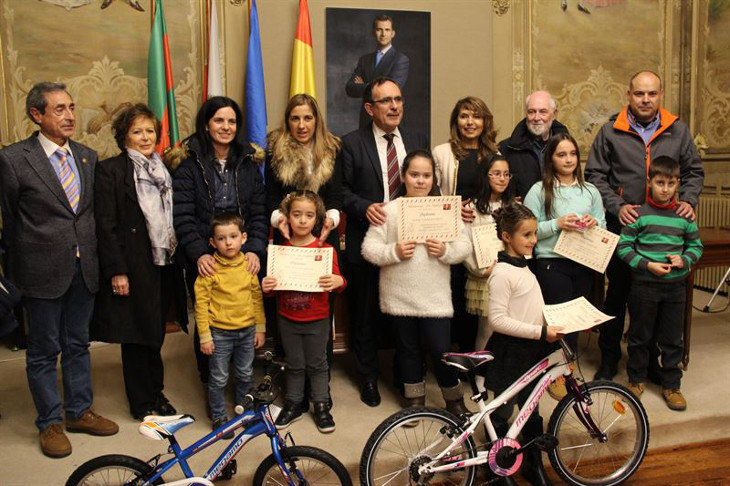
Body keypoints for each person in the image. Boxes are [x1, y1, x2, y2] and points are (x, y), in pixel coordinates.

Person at [0, 82, 118, 458]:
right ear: (37, 115)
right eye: (59, 109)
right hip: (39, 271)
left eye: (71, 107)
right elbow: (10, 218)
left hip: (84, 268)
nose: (69, 116)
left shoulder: (87, 155)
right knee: (42, 350)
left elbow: (88, 213)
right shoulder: (15, 158)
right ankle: (49, 422)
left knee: (78, 344)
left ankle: (79, 411)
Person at [585, 70, 704, 381]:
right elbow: (595, 175)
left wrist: (688, 200)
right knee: (618, 294)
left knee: (655, 300)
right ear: (629, 95)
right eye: (639, 94)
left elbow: (694, 171)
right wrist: (618, 206)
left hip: (664, 230)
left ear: (660, 95)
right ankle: (609, 357)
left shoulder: (678, 130)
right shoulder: (611, 130)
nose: (645, 99)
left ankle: (649, 362)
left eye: (652, 94)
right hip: (623, 225)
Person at [92, 103, 188, 420]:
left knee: (156, 331)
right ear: (124, 137)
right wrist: (117, 271)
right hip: (133, 264)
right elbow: (105, 226)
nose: (145, 137)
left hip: (164, 262)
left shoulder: (164, 170)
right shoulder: (111, 171)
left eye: (149, 131)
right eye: (137, 131)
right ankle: (142, 402)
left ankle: (155, 392)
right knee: (136, 335)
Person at [340, 76, 429, 407]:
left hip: (410, 245)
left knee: (406, 314)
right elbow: (342, 193)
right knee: (365, 314)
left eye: (398, 99)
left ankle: (405, 373)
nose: (394, 106)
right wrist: (366, 208)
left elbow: (427, 184)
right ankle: (368, 378)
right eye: (385, 101)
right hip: (369, 240)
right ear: (369, 108)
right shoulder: (351, 143)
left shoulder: (417, 138)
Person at [362, 150, 471, 415]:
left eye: (426, 175)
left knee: (441, 349)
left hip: (434, 297)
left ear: (434, 178)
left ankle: (454, 399)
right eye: (414, 175)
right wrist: (393, 252)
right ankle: (414, 400)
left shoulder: (445, 208)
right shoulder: (389, 211)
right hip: (400, 295)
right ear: (404, 177)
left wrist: (445, 251)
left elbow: (465, 246)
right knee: (407, 349)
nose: (420, 181)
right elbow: (368, 248)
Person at [172, 96, 267, 386]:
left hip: (242, 256)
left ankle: (240, 380)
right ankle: (210, 381)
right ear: (206, 123)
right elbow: (183, 215)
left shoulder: (248, 161)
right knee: (209, 321)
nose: (226, 127)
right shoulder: (189, 163)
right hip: (207, 258)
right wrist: (200, 253)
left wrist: (253, 249)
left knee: (242, 316)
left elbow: (260, 212)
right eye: (219, 120)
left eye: (232, 121)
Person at [484, 202, 563, 486]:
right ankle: (498, 469)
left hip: (532, 350)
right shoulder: (503, 273)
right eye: (527, 235)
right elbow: (498, 320)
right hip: (510, 352)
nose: (533, 240)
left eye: (533, 234)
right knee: (503, 411)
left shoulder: (523, 266)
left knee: (531, 410)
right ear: (507, 236)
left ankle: (533, 466)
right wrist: (540, 332)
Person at [616, 156, 702, 411]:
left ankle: (671, 385)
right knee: (640, 336)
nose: (665, 188)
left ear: (678, 184)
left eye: (671, 183)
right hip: (644, 286)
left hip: (676, 288)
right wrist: (646, 264)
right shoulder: (638, 214)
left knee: (673, 339)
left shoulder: (685, 216)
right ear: (649, 182)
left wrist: (684, 259)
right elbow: (623, 248)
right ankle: (636, 380)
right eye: (660, 182)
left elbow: (696, 247)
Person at [261, 191, 346, 433]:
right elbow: (272, 291)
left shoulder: (325, 249)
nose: (302, 220)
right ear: (287, 218)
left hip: (317, 319)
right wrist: (266, 286)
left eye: (308, 215)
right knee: (294, 364)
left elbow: (341, 281)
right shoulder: (280, 250)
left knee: (318, 364)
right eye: (296, 215)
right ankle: (294, 403)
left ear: (317, 219)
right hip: (287, 318)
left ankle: (320, 405)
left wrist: (337, 281)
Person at [523, 133, 605, 350]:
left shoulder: (590, 191)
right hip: (552, 263)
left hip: (583, 262)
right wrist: (556, 224)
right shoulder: (539, 190)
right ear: (551, 159)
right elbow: (526, 232)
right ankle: (552, 374)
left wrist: (594, 222)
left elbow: (604, 228)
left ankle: (567, 373)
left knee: (576, 321)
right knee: (557, 322)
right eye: (561, 155)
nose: (569, 160)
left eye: (573, 154)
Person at [433, 96, 500, 352]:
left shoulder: (495, 155)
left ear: (485, 121)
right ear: (456, 121)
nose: (470, 122)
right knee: (455, 298)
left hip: (483, 238)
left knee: (480, 304)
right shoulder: (441, 152)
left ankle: (476, 356)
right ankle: (454, 355)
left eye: (476, 116)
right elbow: (430, 193)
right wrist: (452, 209)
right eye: (464, 116)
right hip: (451, 235)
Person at [194, 212, 266, 436]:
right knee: (219, 377)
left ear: (243, 237)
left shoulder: (248, 266)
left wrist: (260, 328)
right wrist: (205, 336)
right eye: (222, 238)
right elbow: (201, 305)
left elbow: (256, 298)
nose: (228, 242)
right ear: (212, 242)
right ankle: (218, 416)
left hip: (247, 330)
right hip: (220, 333)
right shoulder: (209, 269)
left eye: (233, 236)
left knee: (245, 374)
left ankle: (243, 412)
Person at [266, 94, 342, 247]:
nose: (301, 126)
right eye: (295, 118)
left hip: (324, 235)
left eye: (307, 118)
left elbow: (336, 194)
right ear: (288, 122)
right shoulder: (276, 151)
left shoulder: (333, 149)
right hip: (288, 234)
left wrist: (331, 220)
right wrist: (279, 219)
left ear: (316, 120)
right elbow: (271, 195)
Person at [462, 155, 514, 353]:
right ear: (485, 176)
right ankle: (480, 374)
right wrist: (481, 270)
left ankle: (501, 373)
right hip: (485, 276)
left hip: (510, 275)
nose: (502, 179)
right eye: (497, 174)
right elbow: (465, 244)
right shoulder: (472, 209)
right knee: (487, 330)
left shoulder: (513, 207)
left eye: (506, 174)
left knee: (509, 328)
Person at [498, 91, 570, 200]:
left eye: (543, 112)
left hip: (561, 213)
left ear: (554, 114)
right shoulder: (506, 148)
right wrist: (508, 201)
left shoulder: (567, 147)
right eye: (531, 112)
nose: (536, 118)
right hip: (522, 214)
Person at [345, 14, 410, 128]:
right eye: (379, 29)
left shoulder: (400, 59)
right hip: (366, 121)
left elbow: (390, 92)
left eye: (387, 30)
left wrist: (364, 86)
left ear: (392, 33)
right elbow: (350, 88)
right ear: (373, 33)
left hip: (389, 120)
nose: (383, 34)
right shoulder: (364, 60)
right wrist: (377, 85)